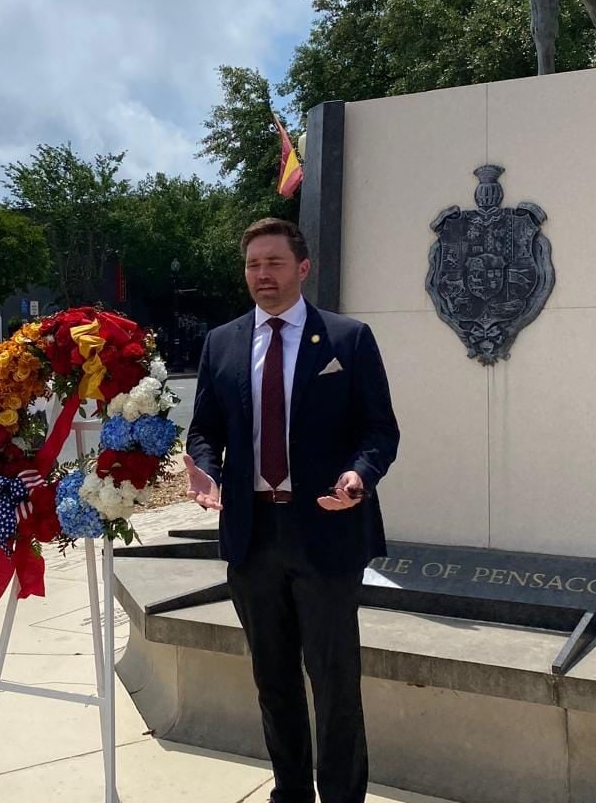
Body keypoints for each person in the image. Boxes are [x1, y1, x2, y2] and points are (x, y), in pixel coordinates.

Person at [185, 217, 400, 803]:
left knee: (335, 684)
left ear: (302, 268)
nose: (263, 275)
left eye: (274, 263)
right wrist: (202, 467)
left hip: (326, 530)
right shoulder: (222, 343)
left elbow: (380, 431)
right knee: (272, 680)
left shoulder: (347, 340)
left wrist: (360, 474)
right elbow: (204, 429)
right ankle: (290, 793)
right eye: (254, 265)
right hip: (252, 536)